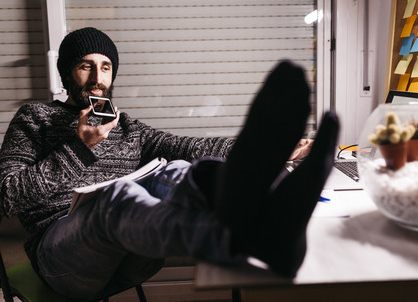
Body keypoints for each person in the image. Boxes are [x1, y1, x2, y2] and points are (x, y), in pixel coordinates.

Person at [0, 27, 339, 300]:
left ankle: (259, 204)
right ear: (67, 73)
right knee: (116, 197)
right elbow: (6, 197)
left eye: (105, 67)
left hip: (132, 255)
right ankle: (246, 238)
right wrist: (79, 147)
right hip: (60, 259)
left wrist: (274, 148)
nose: (97, 77)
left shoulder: (127, 126)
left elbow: (188, 146)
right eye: (85, 65)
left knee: (175, 170)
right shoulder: (35, 118)